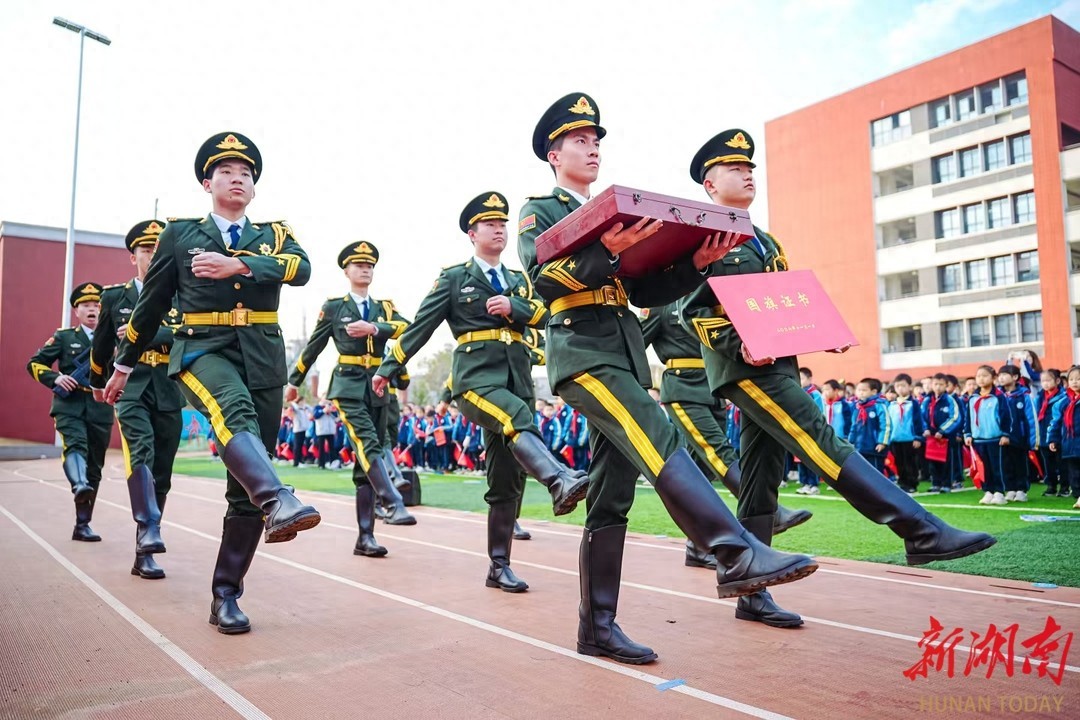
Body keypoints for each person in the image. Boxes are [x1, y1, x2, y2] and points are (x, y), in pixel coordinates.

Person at [518, 95, 817, 664]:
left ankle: (596, 628)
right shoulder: (540, 210)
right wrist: (606, 253)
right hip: (581, 352)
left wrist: (693, 265)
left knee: (611, 496)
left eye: (596, 140)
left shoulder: (612, 211)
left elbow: (643, 291)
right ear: (554, 155)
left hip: (622, 354)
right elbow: (544, 278)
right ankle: (734, 552)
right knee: (661, 436)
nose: (592, 148)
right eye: (579, 140)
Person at [679, 128, 994, 627]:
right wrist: (738, 345)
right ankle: (919, 529)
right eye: (734, 168)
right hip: (744, 368)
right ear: (710, 184)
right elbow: (691, 311)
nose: (748, 173)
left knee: (761, 477)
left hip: (778, 364)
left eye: (750, 166)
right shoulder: (703, 237)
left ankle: (750, 590)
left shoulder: (764, 239)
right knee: (819, 437)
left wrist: (820, 330)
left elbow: (781, 304)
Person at [102, 131, 320, 634]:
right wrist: (123, 364)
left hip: (263, 358)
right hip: (203, 350)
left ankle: (226, 595)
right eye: (226, 172)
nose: (237, 178)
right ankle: (279, 499)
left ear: (254, 187)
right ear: (208, 183)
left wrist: (238, 263)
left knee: (245, 485)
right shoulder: (180, 234)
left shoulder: (275, 234)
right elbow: (151, 305)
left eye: (245, 173)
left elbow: (302, 269)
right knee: (232, 411)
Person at [375, 191, 586, 592]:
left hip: (517, 381)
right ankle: (558, 479)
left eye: (503, 224)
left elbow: (547, 312)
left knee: (506, 479)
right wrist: (389, 367)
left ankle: (499, 566)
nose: (499, 230)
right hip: (475, 381)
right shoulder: (454, 278)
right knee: (518, 418)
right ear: (472, 234)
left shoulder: (519, 280)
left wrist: (514, 308)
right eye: (490, 224)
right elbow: (420, 326)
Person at [641, 301, 813, 572]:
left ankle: (697, 547)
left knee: (702, 471)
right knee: (719, 453)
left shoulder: (712, 297)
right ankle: (772, 511)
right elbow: (637, 342)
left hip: (714, 386)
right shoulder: (662, 304)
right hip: (683, 387)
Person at [287, 241, 416, 540]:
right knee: (368, 442)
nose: (365, 269)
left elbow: (409, 328)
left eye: (369, 265)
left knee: (366, 458)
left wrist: (375, 329)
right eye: (359, 265)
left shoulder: (384, 308)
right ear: (346, 271)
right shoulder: (335, 307)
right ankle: (393, 502)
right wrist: (294, 382)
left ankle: (365, 537)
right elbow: (313, 347)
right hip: (348, 384)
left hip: (378, 386)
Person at [89, 220, 185, 579]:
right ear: (134, 257)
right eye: (146, 250)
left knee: (163, 472)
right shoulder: (115, 297)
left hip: (168, 389)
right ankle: (148, 532)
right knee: (140, 451)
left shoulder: (182, 296)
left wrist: (145, 334)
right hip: (130, 389)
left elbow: (186, 335)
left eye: (159, 249)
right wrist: (97, 383)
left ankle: (144, 547)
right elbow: (101, 345)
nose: (153, 255)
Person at [27, 283, 114, 541]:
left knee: (95, 467)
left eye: (97, 305)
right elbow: (34, 363)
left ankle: (82, 524)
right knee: (75, 446)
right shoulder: (64, 337)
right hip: (70, 405)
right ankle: (79, 484)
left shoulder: (115, 339)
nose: (92, 309)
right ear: (77, 311)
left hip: (100, 407)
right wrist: (55, 378)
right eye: (86, 305)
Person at [998, 364, 1037, 503]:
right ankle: (1010, 489)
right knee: (1006, 464)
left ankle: (1021, 490)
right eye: (999, 375)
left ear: (1015, 377)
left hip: (1020, 437)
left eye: (1004, 374)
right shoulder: (998, 395)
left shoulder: (1024, 396)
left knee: (1020, 464)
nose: (1001, 378)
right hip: (1002, 437)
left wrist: (1033, 440)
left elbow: (1031, 418)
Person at [1047, 366, 1080, 508]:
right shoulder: (1064, 402)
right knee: (1074, 475)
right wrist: (1053, 439)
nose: (1075, 382)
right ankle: (1078, 496)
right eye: (1071, 379)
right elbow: (1056, 422)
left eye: (1078, 379)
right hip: (1070, 445)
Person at [1034, 369, 1066, 496]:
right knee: (1048, 463)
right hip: (1043, 435)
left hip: (1058, 435)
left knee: (1061, 463)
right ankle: (1051, 486)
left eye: (1048, 380)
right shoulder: (1039, 397)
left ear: (1057, 381)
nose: (1045, 383)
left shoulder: (1063, 397)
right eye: (1043, 381)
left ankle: (1064, 487)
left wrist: (1056, 436)